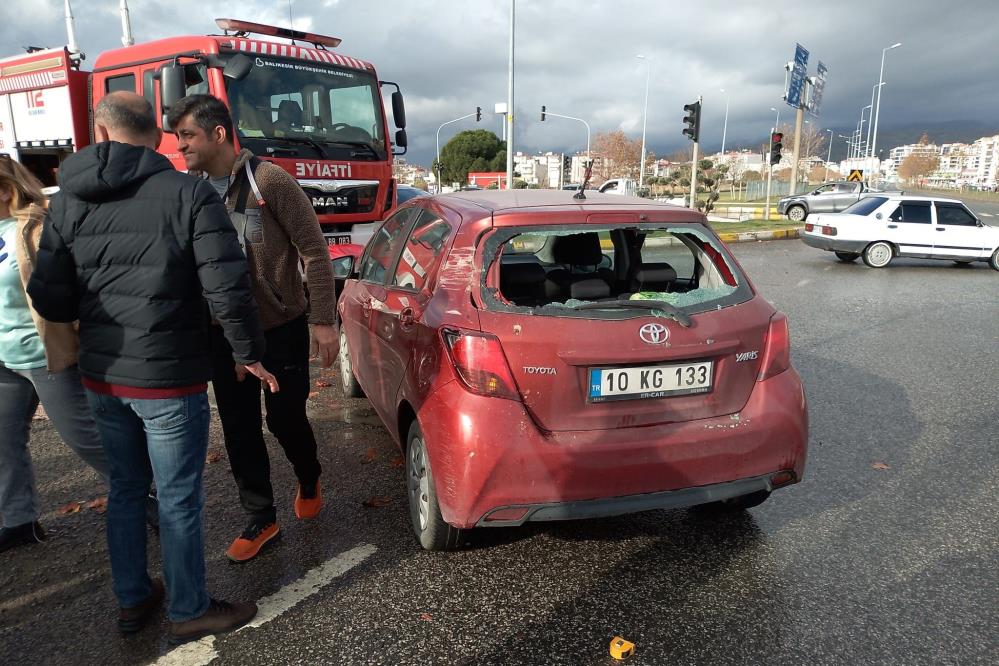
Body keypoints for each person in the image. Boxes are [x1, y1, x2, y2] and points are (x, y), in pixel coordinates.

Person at [27, 92, 274, 643]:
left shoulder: (67, 201)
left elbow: (50, 299)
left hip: (102, 374)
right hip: (168, 376)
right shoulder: (188, 194)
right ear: (155, 132)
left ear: (101, 129)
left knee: (126, 489)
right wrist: (247, 353)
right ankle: (188, 608)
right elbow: (228, 290)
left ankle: (133, 600)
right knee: (179, 494)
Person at [167, 94, 339, 563]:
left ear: (217, 133)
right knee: (239, 427)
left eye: (187, 135)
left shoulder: (269, 180)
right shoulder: (191, 188)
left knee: (285, 419)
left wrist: (324, 320)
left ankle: (308, 474)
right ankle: (261, 517)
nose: (180, 145)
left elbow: (314, 250)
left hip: (279, 326)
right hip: (223, 332)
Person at [0, 155, 111, 553]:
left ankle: (142, 493)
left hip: (44, 350)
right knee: (3, 439)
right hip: (3, 357)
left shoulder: (35, 226)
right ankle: (19, 520)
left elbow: (72, 285)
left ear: (6, 189)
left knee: (84, 436)